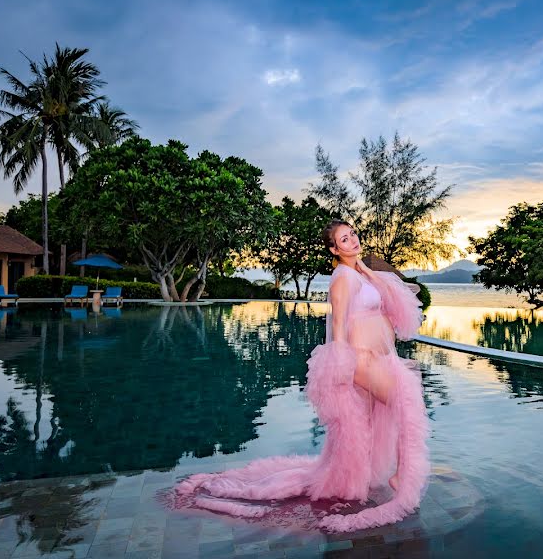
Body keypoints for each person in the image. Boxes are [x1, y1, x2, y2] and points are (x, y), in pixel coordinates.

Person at [174, 220, 429, 532]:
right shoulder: (342, 279)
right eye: (344, 240)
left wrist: (363, 265)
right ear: (334, 249)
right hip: (361, 358)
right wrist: (340, 366)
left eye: (353, 236)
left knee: (375, 417)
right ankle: (401, 475)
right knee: (407, 403)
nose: (352, 241)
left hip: (376, 356)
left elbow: (390, 298)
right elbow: (337, 326)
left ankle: (357, 477)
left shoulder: (357, 272)